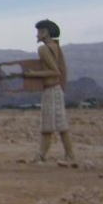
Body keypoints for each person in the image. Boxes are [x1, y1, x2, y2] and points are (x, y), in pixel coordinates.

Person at [22, 19, 77, 167]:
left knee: (49, 125)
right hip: (56, 89)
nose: (37, 35)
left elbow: (55, 71)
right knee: (60, 124)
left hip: (51, 88)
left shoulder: (44, 49)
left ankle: (42, 155)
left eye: (39, 32)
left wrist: (33, 74)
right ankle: (67, 154)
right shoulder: (55, 47)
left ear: (45, 32)